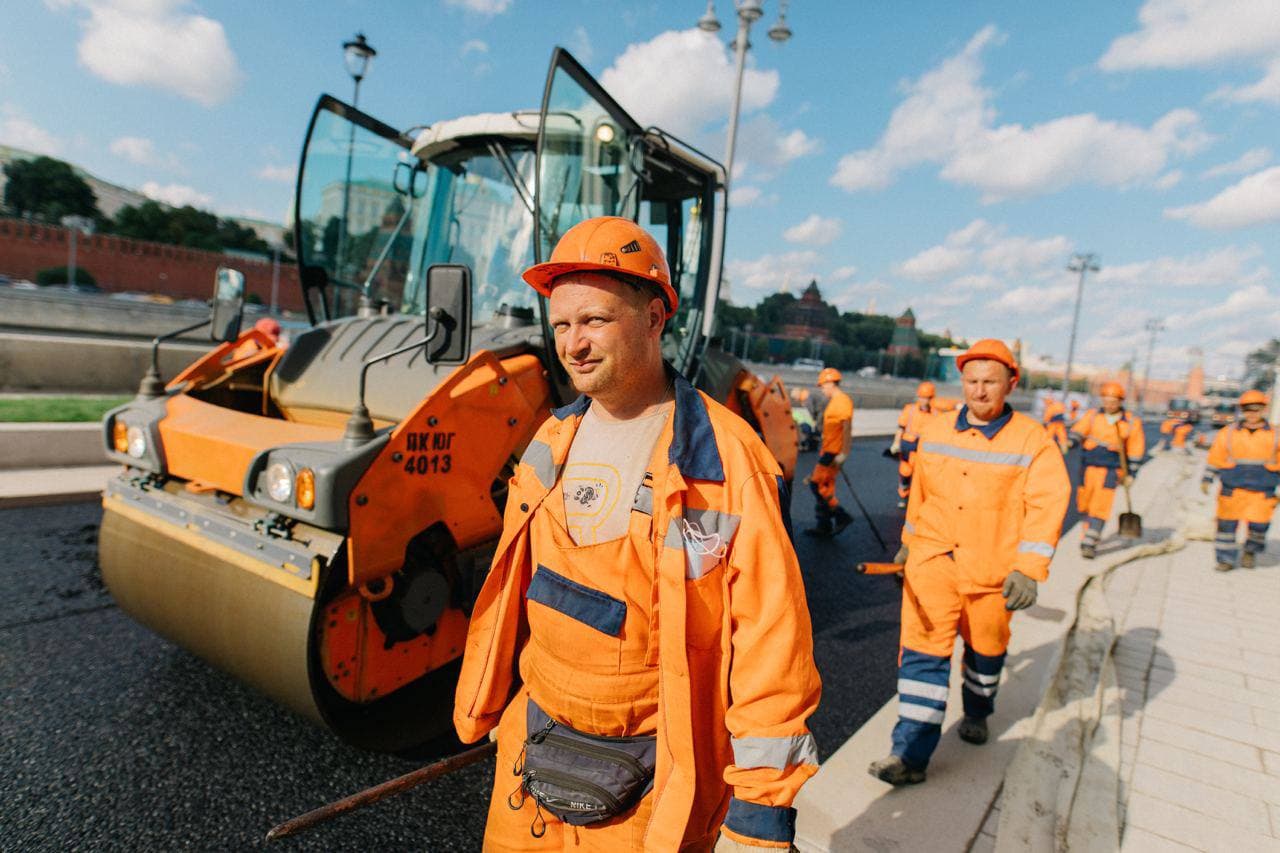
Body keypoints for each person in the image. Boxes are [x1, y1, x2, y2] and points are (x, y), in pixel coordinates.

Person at [452, 216, 821, 851]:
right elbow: (516, 583)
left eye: (595, 320)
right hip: (535, 739)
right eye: (563, 325)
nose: (574, 343)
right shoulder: (551, 440)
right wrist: (494, 699)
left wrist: (760, 812)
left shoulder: (722, 463)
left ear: (654, 319)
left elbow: (769, 636)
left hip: (656, 773)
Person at [868, 339, 1069, 786]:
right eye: (972, 381)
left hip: (991, 574)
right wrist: (908, 545)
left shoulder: (1033, 442)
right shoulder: (937, 431)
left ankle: (978, 710)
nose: (979, 392)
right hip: (933, 564)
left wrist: (1029, 569)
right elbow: (921, 496)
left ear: (1011, 384)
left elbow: (1046, 506)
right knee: (922, 660)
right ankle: (910, 755)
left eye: (990, 383)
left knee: (986, 654)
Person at [1202, 390, 1279, 571]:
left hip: (1263, 489)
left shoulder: (1275, 434)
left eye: (1256, 410)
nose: (1252, 414)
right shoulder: (1228, 433)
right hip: (1233, 487)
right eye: (1248, 410)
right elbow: (1216, 456)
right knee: (1226, 526)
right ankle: (1225, 559)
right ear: (1242, 411)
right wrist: (1207, 478)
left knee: (1259, 526)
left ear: (1263, 410)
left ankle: (1250, 552)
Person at [1070, 382, 1145, 559]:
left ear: (1120, 401)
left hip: (1111, 471)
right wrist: (1071, 441)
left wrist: (1131, 475)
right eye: (1106, 400)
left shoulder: (1131, 422)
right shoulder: (1093, 416)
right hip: (1087, 467)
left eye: (1113, 401)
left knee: (1100, 505)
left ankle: (1090, 541)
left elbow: (1135, 450)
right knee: (1084, 503)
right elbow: (1079, 431)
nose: (1109, 404)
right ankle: (1088, 532)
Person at [805, 367, 854, 537]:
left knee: (816, 485)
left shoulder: (842, 401)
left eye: (823, 385)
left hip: (833, 452)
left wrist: (844, 454)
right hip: (828, 450)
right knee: (823, 486)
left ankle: (841, 516)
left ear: (831, 383)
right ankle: (823, 525)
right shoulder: (834, 401)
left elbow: (847, 429)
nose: (822, 389)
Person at [891, 381, 938, 509]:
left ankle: (916, 500)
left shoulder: (935, 414)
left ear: (931, 398)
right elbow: (901, 427)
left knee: (920, 476)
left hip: (923, 450)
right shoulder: (910, 409)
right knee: (905, 471)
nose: (923, 401)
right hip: (908, 445)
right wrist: (896, 443)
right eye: (921, 397)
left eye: (927, 398)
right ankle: (903, 496)